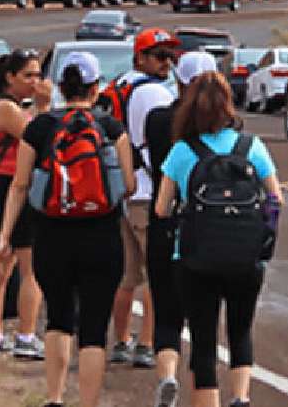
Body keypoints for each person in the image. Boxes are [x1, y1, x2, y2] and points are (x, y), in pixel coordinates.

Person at [0, 52, 136, 407]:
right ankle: (88, 402)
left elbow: (20, 185)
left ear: (59, 85)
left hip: (53, 236)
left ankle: (54, 398)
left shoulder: (40, 128)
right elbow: (128, 185)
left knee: (58, 317)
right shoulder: (111, 128)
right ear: (96, 87)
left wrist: (4, 236)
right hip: (102, 236)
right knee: (93, 328)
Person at [154, 72, 284, 407]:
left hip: (196, 257)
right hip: (246, 255)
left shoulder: (184, 151)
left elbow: (161, 208)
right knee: (240, 331)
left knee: (204, 341)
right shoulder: (251, 147)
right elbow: (276, 198)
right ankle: (240, 397)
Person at [142, 51, 218, 407]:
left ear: (180, 80)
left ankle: (167, 373)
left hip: (166, 221)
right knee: (203, 319)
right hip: (208, 228)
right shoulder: (227, 130)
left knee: (166, 311)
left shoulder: (158, 120)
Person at [108, 28, 180, 370]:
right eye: (160, 55)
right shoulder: (154, 94)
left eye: (170, 56)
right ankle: (148, 343)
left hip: (127, 190)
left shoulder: (122, 86)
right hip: (150, 193)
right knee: (157, 276)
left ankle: (121, 340)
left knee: (128, 274)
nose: (167, 62)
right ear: (141, 57)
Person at [0, 49, 49, 358]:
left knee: (8, 264)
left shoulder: (14, 107)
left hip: (9, 186)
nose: (34, 82)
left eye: (38, 75)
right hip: (10, 186)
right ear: (10, 78)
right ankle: (20, 335)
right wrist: (44, 106)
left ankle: (5, 335)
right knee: (18, 266)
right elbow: (38, 137)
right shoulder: (4, 108)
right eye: (28, 76)